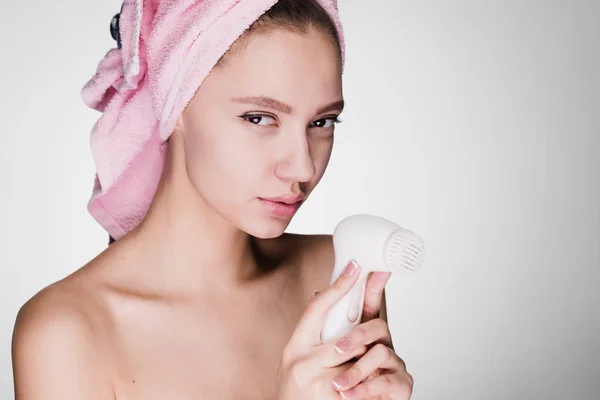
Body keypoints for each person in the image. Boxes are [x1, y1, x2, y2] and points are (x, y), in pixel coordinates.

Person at [12, 0, 414, 398]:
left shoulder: (335, 279)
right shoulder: (66, 332)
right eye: (259, 118)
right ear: (176, 103)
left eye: (321, 122)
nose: (303, 167)